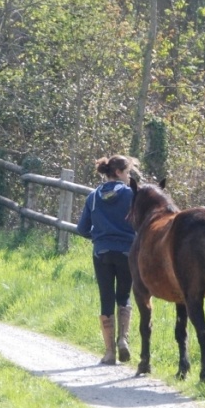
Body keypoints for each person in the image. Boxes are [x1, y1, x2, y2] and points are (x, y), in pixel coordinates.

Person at [76, 154, 139, 365]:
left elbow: (82, 229)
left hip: (102, 253)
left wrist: (99, 237)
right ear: (119, 172)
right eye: (128, 172)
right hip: (126, 252)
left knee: (106, 298)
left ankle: (110, 352)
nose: (129, 177)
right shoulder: (131, 195)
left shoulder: (93, 197)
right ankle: (123, 339)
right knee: (124, 296)